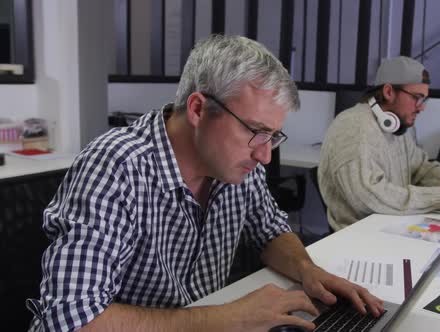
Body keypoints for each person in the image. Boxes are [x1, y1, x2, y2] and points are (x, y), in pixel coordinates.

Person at [27, 35, 384, 331]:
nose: (264, 156)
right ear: (198, 109)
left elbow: (269, 230)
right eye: (257, 132)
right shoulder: (117, 167)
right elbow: (70, 319)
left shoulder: (237, 166)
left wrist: (309, 271)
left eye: (273, 137)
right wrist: (229, 317)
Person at [318, 56, 440, 231]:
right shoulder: (355, 127)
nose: (421, 107)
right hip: (359, 240)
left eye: (424, 100)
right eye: (417, 97)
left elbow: (420, 169)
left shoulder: (395, 126)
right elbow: (368, 197)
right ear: (388, 92)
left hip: (391, 227)